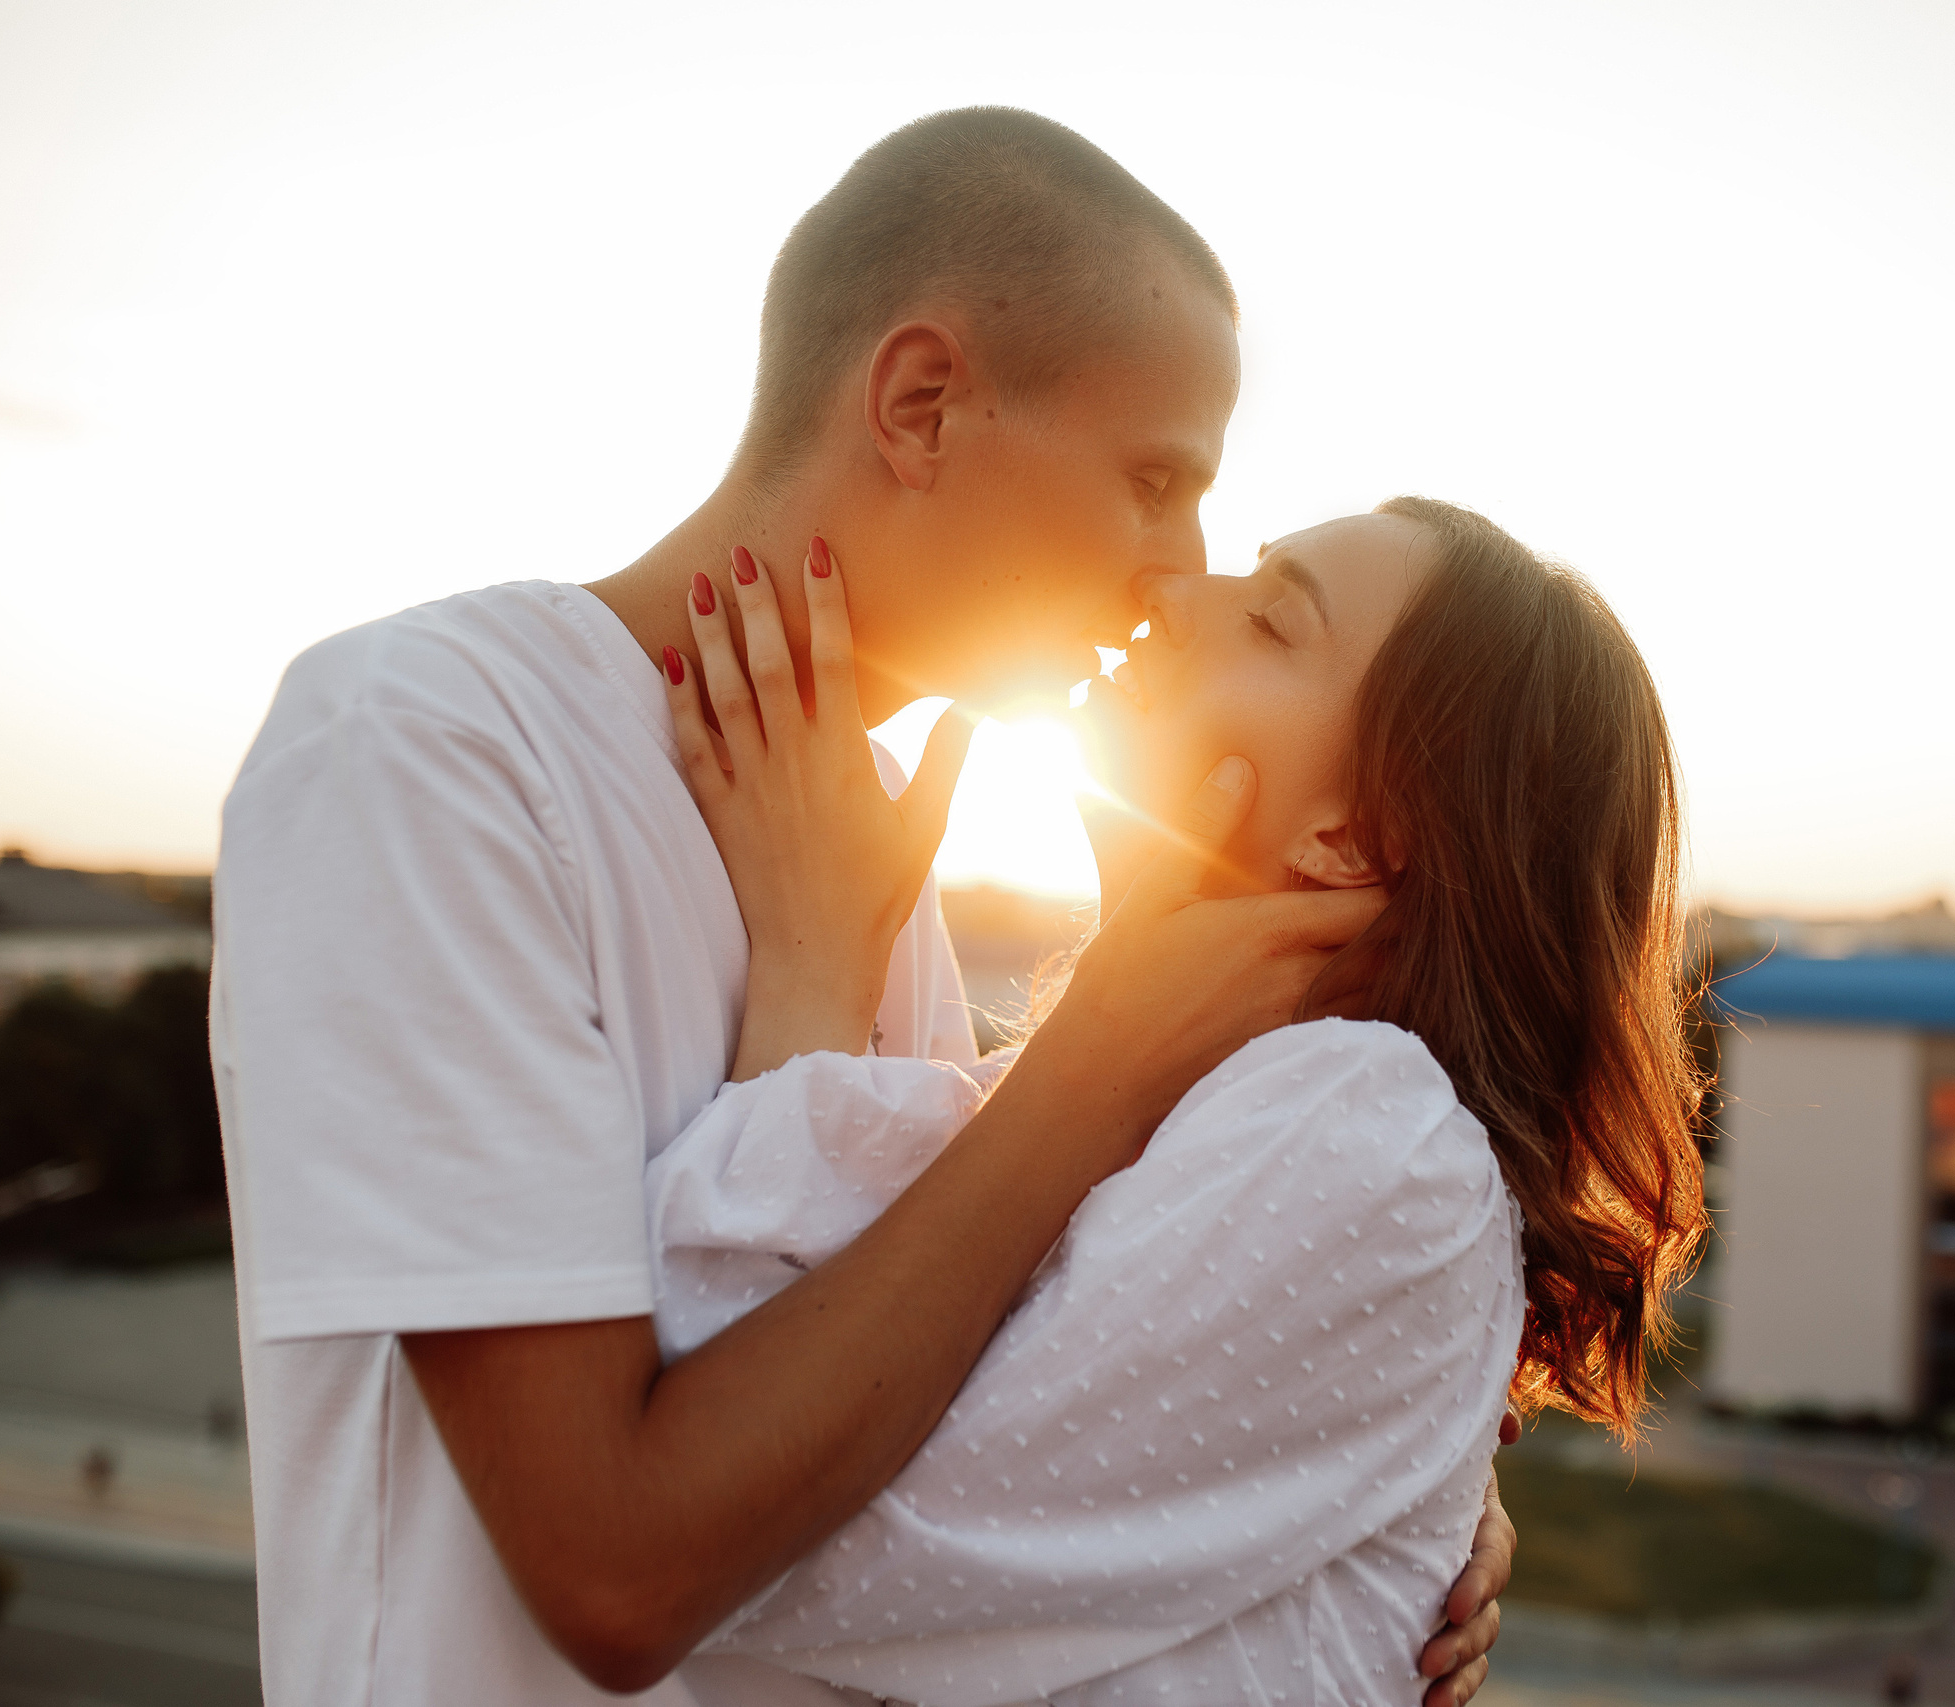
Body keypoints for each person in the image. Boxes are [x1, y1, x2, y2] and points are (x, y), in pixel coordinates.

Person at [211, 109, 1513, 1706]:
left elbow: (957, 1399)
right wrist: (1090, 1060)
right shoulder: (429, 747)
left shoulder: (859, 872)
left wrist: (1386, 1478)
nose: (1175, 570)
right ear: (921, 404)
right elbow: (617, 1574)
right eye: (1155, 478)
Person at [639, 499, 1712, 1702]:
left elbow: (749, 1542)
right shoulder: (1156, 1109)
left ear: (1356, 838)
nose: (1170, 591)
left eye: (1269, 621)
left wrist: (813, 963)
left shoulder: (1371, 1128)